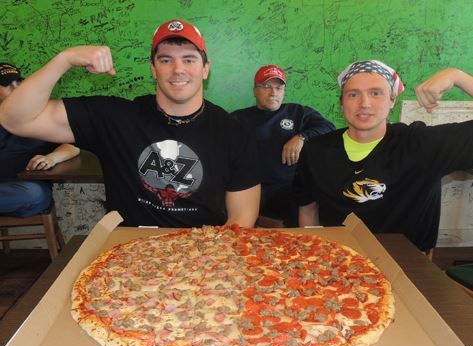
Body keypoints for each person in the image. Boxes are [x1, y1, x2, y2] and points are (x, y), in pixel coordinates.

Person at [0, 19, 261, 227]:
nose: (178, 69)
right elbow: (14, 119)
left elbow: (241, 220)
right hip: (126, 254)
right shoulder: (115, 117)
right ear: (153, 68)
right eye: (166, 59)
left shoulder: (234, 133)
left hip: (203, 253)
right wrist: (64, 59)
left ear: (206, 69)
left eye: (189, 59)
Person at [294, 60, 473, 252]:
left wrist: (457, 76)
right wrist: (312, 253)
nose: (364, 103)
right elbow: (308, 209)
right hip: (339, 260)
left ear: (392, 100)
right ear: (342, 102)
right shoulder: (316, 150)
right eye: (353, 94)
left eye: (375, 93)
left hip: (406, 264)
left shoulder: (420, 145)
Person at [232, 65, 334, 226]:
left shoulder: (298, 112)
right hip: (252, 190)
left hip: (290, 190)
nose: (273, 93)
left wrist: (301, 137)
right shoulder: (239, 118)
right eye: (266, 87)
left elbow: (328, 128)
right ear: (255, 91)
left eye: (279, 88)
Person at [0, 62, 79, 217]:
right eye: (7, 85)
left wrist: (51, 158)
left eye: (18, 82)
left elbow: (73, 146)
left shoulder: (40, 114)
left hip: (25, 188)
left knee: (33, 194)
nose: (16, 89)